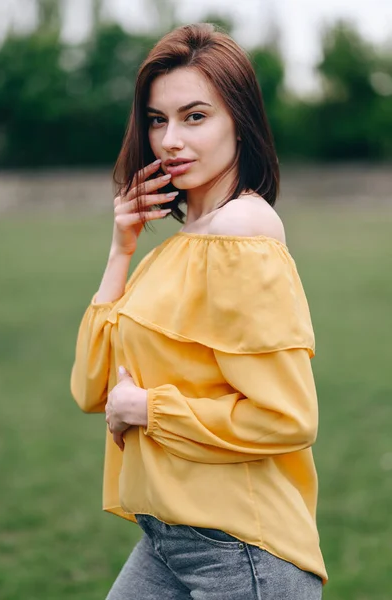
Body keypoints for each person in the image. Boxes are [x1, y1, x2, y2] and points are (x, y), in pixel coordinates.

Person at [71, 22, 327, 600]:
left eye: (195, 116)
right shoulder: (178, 248)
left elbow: (289, 417)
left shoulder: (243, 232)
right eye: (158, 120)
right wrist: (121, 248)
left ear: (239, 121)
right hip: (166, 539)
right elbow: (90, 387)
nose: (169, 141)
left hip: (242, 553)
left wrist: (148, 410)